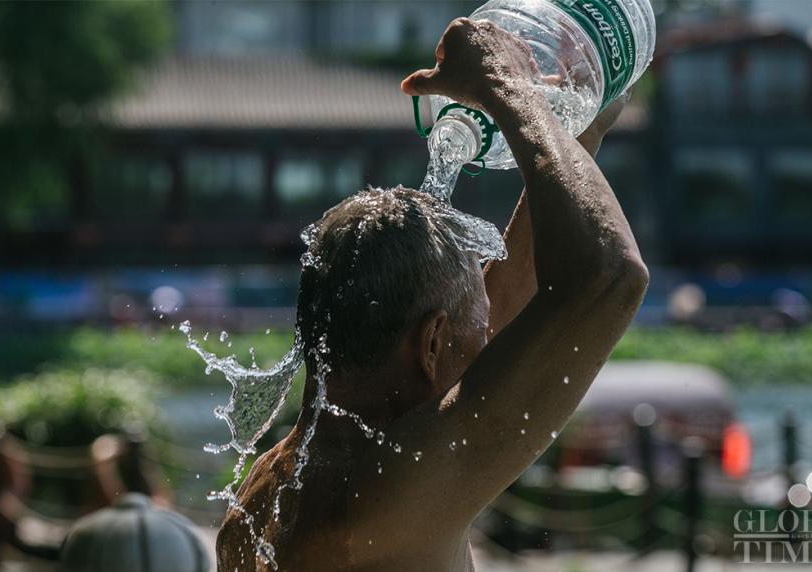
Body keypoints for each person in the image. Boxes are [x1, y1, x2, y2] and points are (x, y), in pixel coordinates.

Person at [217, 17, 648, 571]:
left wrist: (578, 135)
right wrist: (505, 85)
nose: (491, 333)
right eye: (476, 320)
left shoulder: (279, 476)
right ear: (432, 344)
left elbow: (499, 315)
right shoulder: (389, 483)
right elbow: (608, 278)